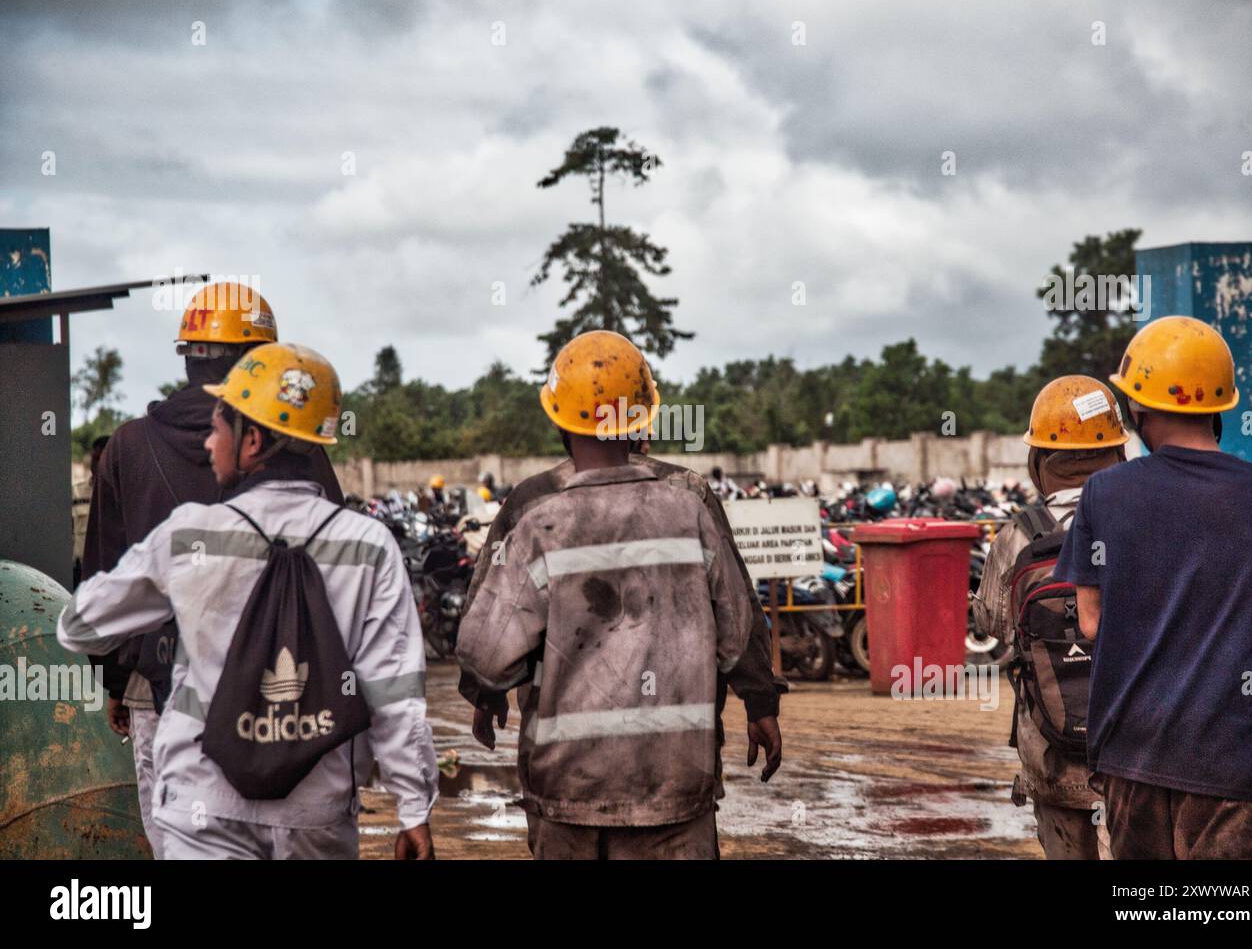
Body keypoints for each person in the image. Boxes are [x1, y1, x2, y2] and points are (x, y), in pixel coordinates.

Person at [59, 343, 436, 860]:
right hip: (317, 814)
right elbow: (394, 689)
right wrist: (413, 807)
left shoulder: (193, 534)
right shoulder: (369, 546)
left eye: (218, 429)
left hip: (202, 809)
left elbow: (82, 625)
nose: (208, 444)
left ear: (253, 440)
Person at [457, 330, 774, 859]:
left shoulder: (536, 512)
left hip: (569, 789)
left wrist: (483, 692)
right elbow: (738, 627)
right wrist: (761, 702)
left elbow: (488, 653)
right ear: (641, 420)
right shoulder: (690, 503)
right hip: (677, 783)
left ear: (559, 419)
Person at [82, 282, 342, 856]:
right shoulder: (295, 445)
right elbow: (334, 566)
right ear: (258, 360)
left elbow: (103, 574)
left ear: (187, 354)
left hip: (162, 683)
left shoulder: (126, 446)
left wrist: (117, 683)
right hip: (279, 695)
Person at [1056, 316, 1252, 859]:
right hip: (1233, 759)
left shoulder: (1104, 493)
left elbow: (1091, 623)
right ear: (1221, 406)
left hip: (1130, 749)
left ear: (1136, 407)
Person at [971, 375, 1127, 858]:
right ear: (1118, 454)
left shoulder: (1018, 536)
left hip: (1051, 755)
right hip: (1131, 755)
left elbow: (992, 625)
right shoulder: (1140, 519)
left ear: (1038, 462)